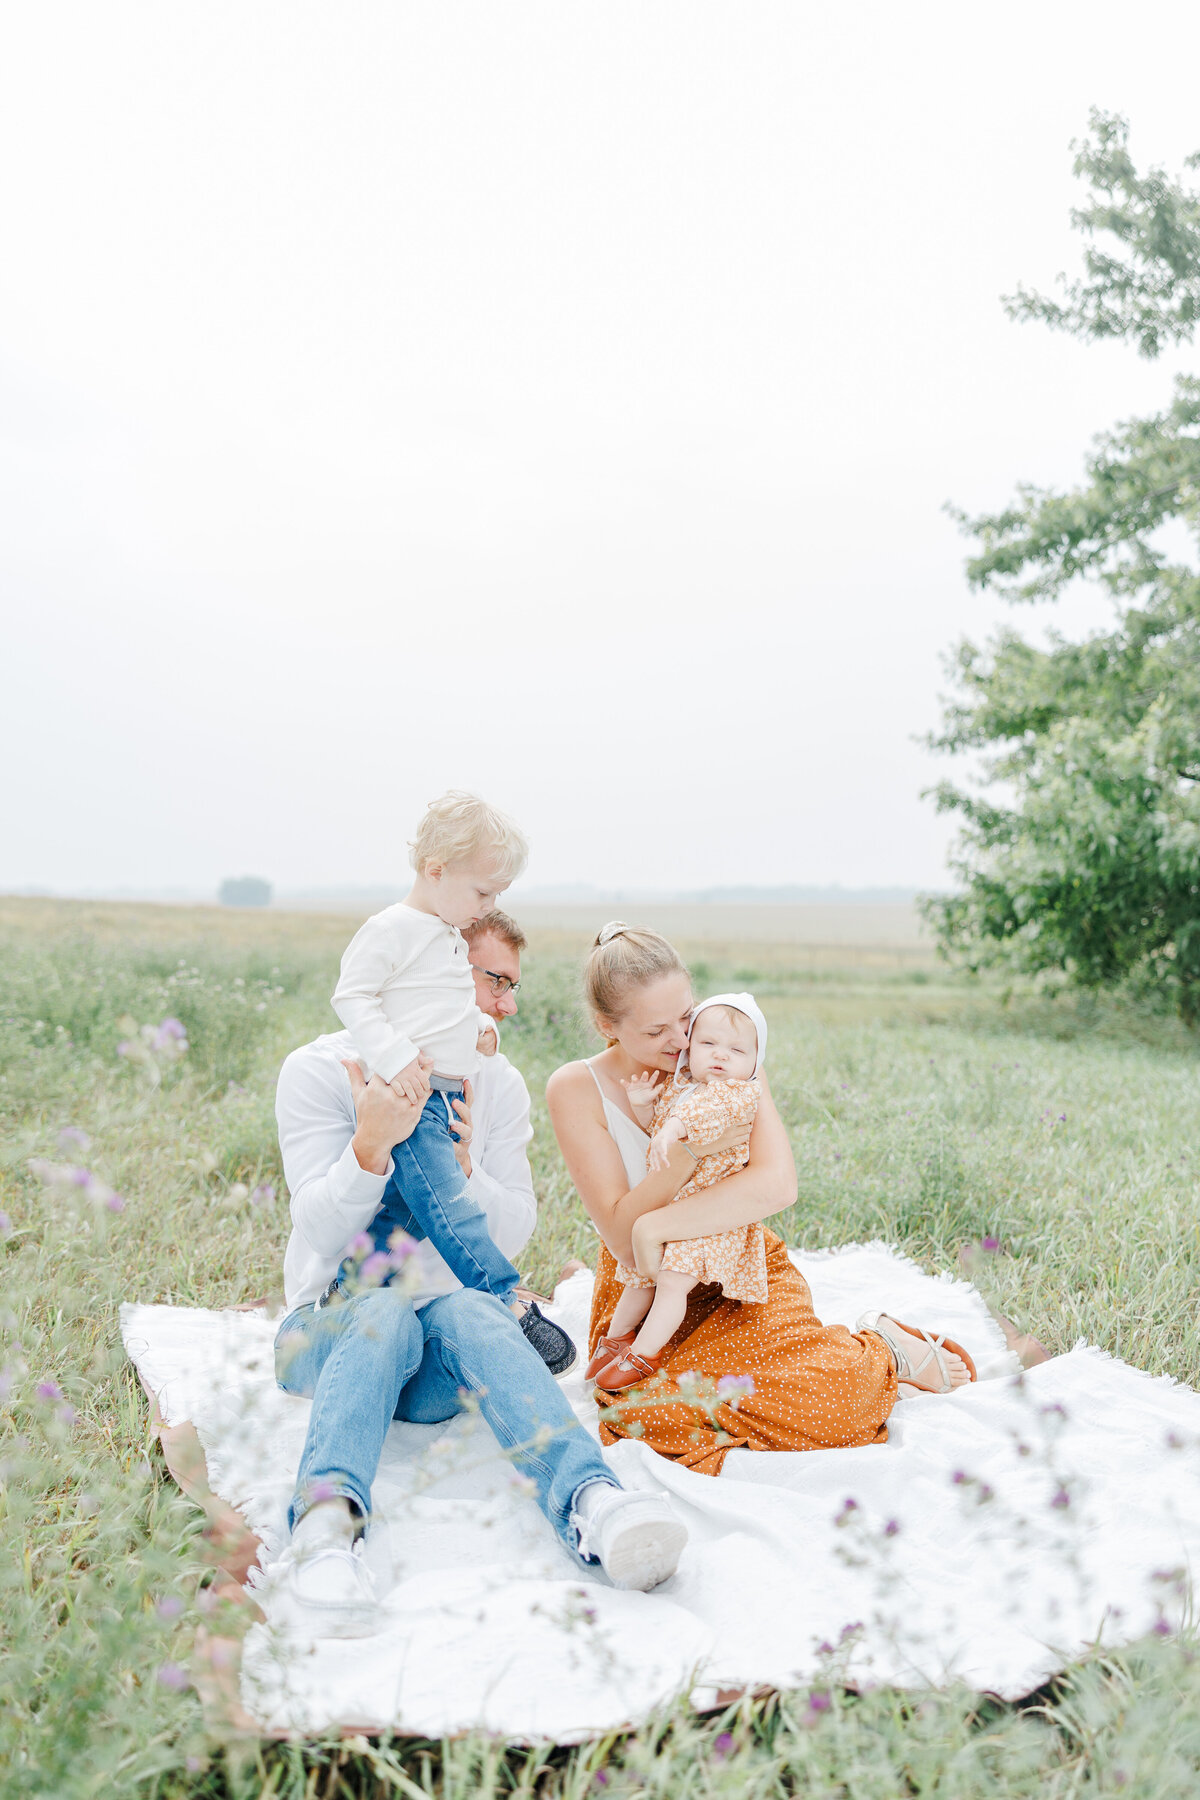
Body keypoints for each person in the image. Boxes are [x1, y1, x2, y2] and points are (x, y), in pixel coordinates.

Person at [268, 909, 686, 1637]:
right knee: (384, 1312)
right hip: (329, 1329)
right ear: (427, 975)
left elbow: (517, 1223)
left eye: (513, 986)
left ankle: (594, 1503)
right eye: (495, 980)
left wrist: (466, 1174)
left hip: (435, 1353)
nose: (508, 1005)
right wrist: (370, 1146)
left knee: (473, 1313)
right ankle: (326, 1531)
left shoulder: (496, 1082)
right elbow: (318, 1230)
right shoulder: (317, 1070)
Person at [546, 922, 976, 1479]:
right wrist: (680, 1165)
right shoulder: (576, 1089)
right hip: (648, 1285)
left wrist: (656, 1221)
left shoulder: (727, 1052)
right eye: (658, 1031)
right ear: (608, 1025)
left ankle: (884, 1349)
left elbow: (776, 1185)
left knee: (830, 1405)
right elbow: (624, 1237)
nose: (682, 1041)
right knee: (654, 1418)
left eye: (686, 1016)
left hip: (735, 1262)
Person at [328, 790, 547, 1348]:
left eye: (496, 893)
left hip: (449, 1092)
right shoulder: (391, 928)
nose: (488, 904)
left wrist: (481, 1030)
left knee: (405, 1215)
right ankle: (502, 1295)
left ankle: (346, 1291)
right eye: (482, 891)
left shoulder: (448, 937)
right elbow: (352, 996)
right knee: (452, 1208)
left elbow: (442, 1008)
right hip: (415, 1097)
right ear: (436, 869)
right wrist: (395, 1056)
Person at [592, 992, 770, 1393]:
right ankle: (618, 1337)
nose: (720, 1056)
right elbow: (659, 1128)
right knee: (637, 1274)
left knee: (672, 1279)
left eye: (736, 1050)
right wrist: (643, 1109)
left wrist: (674, 1130)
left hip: (710, 1217)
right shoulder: (683, 1085)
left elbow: (702, 1119)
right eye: (708, 1044)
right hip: (673, 1207)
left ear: (755, 1061)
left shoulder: (738, 1093)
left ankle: (645, 1351)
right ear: (691, 1047)